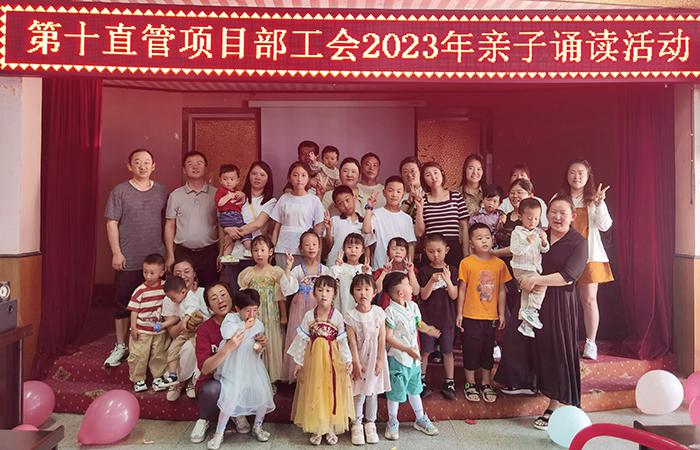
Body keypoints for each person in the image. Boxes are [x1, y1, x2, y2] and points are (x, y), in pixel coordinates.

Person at [494, 196, 588, 431]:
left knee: (556, 351)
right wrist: (492, 253)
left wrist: (537, 280)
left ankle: (554, 404)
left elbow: (568, 276)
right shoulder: (539, 233)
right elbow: (520, 253)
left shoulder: (578, 242)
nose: (557, 217)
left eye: (563, 212)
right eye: (553, 212)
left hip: (559, 303)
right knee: (521, 340)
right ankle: (526, 383)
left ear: (573, 216)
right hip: (532, 297)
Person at [104, 148, 168, 368]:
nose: (143, 166)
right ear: (130, 166)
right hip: (128, 257)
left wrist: (168, 254)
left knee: (156, 303)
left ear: (154, 166)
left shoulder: (162, 191)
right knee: (124, 303)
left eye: (147, 162)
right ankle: (121, 346)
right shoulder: (120, 191)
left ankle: (154, 346)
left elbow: (168, 224)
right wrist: (116, 252)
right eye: (138, 162)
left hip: (156, 259)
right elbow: (111, 223)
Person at [190, 282, 267, 444]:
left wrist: (259, 346)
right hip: (214, 377)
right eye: (214, 298)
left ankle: (239, 414)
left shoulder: (249, 320)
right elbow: (205, 368)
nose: (220, 300)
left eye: (223, 295)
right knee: (214, 389)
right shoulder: (206, 329)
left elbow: (253, 351)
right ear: (209, 306)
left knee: (259, 389)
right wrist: (227, 349)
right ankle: (204, 418)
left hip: (242, 372)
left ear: (232, 299)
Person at [287, 276, 355, 446]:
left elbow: (342, 341)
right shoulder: (309, 315)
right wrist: (299, 362)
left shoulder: (337, 316)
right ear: (314, 293)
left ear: (334, 294)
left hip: (333, 361)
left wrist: (348, 360)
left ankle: (330, 426)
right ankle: (318, 427)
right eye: (320, 290)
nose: (324, 294)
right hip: (314, 362)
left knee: (331, 392)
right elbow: (302, 340)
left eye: (328, 290)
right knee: (315, 391)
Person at [207, 289, 275, 449]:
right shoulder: (231, 319)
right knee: (229, 399)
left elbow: (257, 348)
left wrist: (260, 346)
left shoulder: (258, 324)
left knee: (263, 395)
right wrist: (244, 326)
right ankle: (219, 434)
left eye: (255, 310)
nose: (252, 314)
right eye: (247, 310)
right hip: (233, 366)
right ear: (237, 309)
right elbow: (227, 333)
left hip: (252, 365)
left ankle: (258, 427)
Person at [560, 159, 613, 360]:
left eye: (581, 173)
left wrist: (599, 204)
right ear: (567, 175)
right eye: (572, 172)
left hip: (591, 256)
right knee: (564, 301)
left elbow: (605, 225)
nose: (576, 176)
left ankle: (591, 343)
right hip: (565, 256)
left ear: (588, 176)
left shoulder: (594, 199)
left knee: (589, 300)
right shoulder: (560, 198)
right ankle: (566, 341)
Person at [456, 224, 510, 403]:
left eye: (487, 237)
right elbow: (462, 290)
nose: (484, 241)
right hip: (471, 315)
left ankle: (486, 383)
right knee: (470, 349)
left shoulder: (499, 264)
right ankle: (470, 382)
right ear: (471, 243)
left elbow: (501, 291)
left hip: (491, 316)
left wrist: (501, 313)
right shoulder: (466, 263)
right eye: (479, 238)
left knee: (487, 350)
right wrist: (459, 313)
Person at [383, 271, 440, 440]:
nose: (411, 287)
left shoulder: (413, 306)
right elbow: (388, 337)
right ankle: (392, 420)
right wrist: (406, 349)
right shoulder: (390, 312)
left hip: (413, 359)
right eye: (408, 284)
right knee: (395, 392)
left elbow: (418, 323)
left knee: (415, 389)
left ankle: (420, 418)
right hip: (398, 358)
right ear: (400, 293)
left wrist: (428, 329)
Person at [344, 274, 391, 445]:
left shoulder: (379, 312)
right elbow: (351, 341)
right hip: (359, 357)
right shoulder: (350, 315)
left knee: (372, 392)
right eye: (358, 289)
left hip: (375, 357)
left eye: (366, 289)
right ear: (353, 293)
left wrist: (380, 360)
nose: (363, 293)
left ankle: (370, 423)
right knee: (358, 392)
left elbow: (382, 337)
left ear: (374, 292)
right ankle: (356, 423)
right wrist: (356, 363)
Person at [280, 231, 331, 382]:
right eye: (307, 245)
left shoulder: (325, 270)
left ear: (319, 247)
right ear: (301, 248)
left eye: (314, 244)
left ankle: (317, 372)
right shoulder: (297, 269)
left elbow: (331, 290)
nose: (311, 247)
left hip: (319, 307)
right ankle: (299, 373)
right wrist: (288, 268)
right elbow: (287, 289)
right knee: (300, 337)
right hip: (300, 309)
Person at [237, 235, 287, 384]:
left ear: (270, 252)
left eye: (262, 250)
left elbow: (280, 296)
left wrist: (284, 315)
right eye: (255, 250)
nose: (259, 254)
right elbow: (244, 297)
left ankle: (271, 379)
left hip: (271, 314)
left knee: (271, 341)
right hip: (254, 314)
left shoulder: (276, 272)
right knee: (254, 340)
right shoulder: (248, 273)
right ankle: (255, 378)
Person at [164, 151, 219, 287]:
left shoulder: (216, 194)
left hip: (210, 253)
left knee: (210, 290)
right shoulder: (175, 195)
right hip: (183, 253)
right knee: (182, 290)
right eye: (190, 164)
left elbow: (222, 225)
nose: (195, 166)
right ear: (184, 169)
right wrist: (170, 254)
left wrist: (222, 253)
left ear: (205, 168)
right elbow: (169, 226)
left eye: (199, 163)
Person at [223, 161, 277, 291]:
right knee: (235, 293)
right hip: (234, 255)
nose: (257, 177)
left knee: (254, 296)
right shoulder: (238, 197)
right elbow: (226, 219)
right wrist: (227, 235)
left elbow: (258, 224)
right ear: (248, 176)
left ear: (268, 179)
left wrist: (233, 234)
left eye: (262, 175)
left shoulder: (271, 201)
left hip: (256, 255)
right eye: (254, 174)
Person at [418, 234, 459, 400]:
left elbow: (454, 295)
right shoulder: (424, 271)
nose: (435, 255)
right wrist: (431, 282)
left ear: (446, 250)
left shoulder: (452, 270)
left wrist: (447, 280)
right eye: (431, 251)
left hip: (447, 319)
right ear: (425, 252)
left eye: (439, 251)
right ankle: (421, 380)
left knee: (447, 352)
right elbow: (423, 295)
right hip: (428, 320)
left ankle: (449, 382)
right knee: (426, 351)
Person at [127, 253, 170, 393]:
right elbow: (134, 310)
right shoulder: (140, 290)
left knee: (159, 354)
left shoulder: (165, 287)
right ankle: (138, 379)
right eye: (145, 272)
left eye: (152, 273)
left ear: (161, 272)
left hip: (159, 330)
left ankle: (158, 377)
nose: (148, 276)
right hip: (142, 330)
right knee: (139, 355)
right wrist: (133, 328)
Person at [270, 162, 325, 268]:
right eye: (295, 175)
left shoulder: (314, 200)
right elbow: (276, 228)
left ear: (309, 178)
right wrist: (273, 248)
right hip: (283, 249)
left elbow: (318, 232)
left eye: (303, 175)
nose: (299, 179)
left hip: (306, 250)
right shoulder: (284, 198)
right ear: (289, 178)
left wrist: (317, 257)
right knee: (284, 277)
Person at [161, 276, 211, 393]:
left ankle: (193, 380)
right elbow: (176, 317)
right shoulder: (179, 301)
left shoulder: (191, 297)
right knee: (173, 349)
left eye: (173, 298)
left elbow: (194, 308)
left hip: (198, 331)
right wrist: (163, 324)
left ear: (183, 291)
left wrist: (185, 319)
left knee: (194, 350)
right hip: (185, 332)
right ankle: (173, 375)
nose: (172, 301)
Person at [167, 258, 207, 401]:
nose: (183, 276)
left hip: (201, 333)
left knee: (189, 348)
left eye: (187, 271)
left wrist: (193, 322)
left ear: (194, 274)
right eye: (178, 273)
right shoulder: (170, 297)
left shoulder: (203, 292)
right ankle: (176, 381)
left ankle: (189, 381)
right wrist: (184, 324)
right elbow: (172, 332)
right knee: (175, 348)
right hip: (182, 333)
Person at [414, 161, 469, 267]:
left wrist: (466, 254)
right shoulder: (422, 200)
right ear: (423, 180)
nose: (433, 177)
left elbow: (464, 228)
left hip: (453, 248)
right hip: (432, 250)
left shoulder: (456, 196)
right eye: (428, 175)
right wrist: (420, 208)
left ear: (442, 174)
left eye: (436, 172)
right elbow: (419, 233)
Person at [510, 198, 550, 338]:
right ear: (520, 216)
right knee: (542, 284)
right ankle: (532, 311)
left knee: (528, 294)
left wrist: (544, 241)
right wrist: (527, 241)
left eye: (536, 218)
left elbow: (544, 250)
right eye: (529, 218)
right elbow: (515, 250)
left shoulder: (538, 232)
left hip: (533, 268)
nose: (533, 221)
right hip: (521, 268)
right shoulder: (517, 232)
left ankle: (526, 325)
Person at [363, 176, 417, 270]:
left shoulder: (407, 219)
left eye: (398, 191)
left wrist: (409, 266)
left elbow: (410, 244)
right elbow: (366, 230)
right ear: (384, 192)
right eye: (390, 190)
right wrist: (369, 208)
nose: (394, 195)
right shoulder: (376, 214)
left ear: (403, 194)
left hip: (401, 270)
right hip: (380, 267)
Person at [324, 185, 373, 267]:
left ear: (354, 199)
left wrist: (366, 265)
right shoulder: (334, 220)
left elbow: (367, 247)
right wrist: (328, 229)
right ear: (336, 206)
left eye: (347, 200)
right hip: (334, 264)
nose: (346, 205)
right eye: (340, 203)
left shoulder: (364, 223)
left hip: (355, 268)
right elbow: (330, 245)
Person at [215, 164, 251, 262]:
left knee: (229, 238)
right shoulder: (221, 191)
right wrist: (228, 196)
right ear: (220, 180)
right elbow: (219, 203)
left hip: (236, 215)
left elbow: (243, 203)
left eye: (231, 179)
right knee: (246, 233)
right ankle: (248, 250)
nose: (228, 182)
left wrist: (242, 195)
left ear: (237, 181)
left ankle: (226, 256)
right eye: (225, 179)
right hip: (228, 215)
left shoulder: (237, 192)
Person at [331, 233, 372, 316]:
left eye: (357, 247)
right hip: (341, 307)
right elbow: (330, 282)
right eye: (349, 247)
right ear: (344, 249)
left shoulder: (364, 268)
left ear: (363, 251)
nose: (353, 250)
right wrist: (337, 267)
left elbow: (370, 289)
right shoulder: (339, 267)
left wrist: (365, 273)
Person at [372, 237, 419, 309]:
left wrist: (410, 271)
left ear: (406, 253)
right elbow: (376, 290)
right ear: (387, 253)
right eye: (394, 249)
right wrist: (384, 272)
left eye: (402, 250)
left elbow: (416, 292)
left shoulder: (412, 271)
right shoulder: (381, 271)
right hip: (387, 308)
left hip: (407, 309)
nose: (398, 252)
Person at [499, 164, 548, 228]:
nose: (515, 196)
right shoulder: (506, 215)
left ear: (530, 195)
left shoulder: (533, 217)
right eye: (512, 193)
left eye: (519, 192)